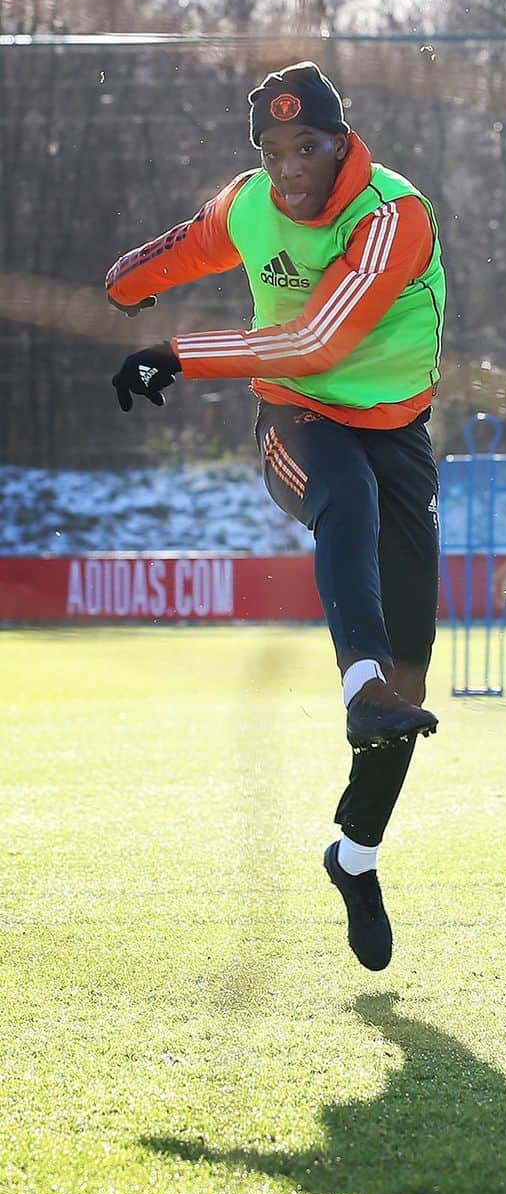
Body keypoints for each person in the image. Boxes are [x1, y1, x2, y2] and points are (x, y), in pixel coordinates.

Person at [105, 62, 446, 972]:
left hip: (399, 433)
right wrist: (130, 282)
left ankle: (357, 857)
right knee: (348, 496)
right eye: (271, 149)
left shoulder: (391, 215)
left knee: (411, 671)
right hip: (297, 424)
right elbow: (187, 248)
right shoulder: (249, 202)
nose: (288, 166)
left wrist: (174, 351)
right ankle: (358, 686)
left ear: (342, 142)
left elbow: (319, 339)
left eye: (307, 146)